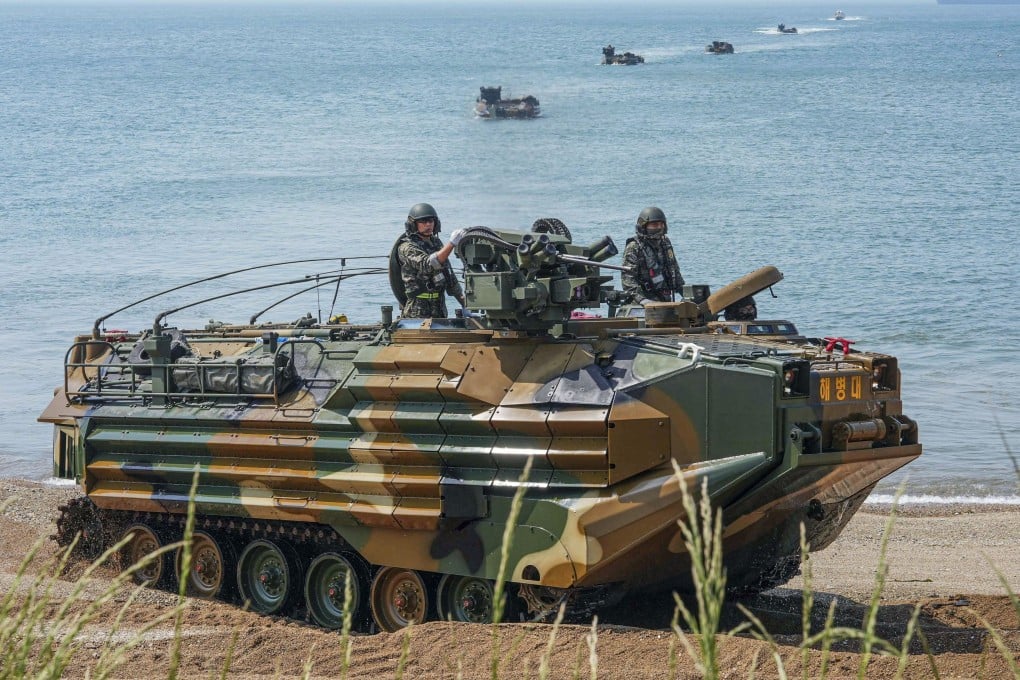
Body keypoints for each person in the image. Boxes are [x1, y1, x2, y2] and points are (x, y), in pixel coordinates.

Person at [393, 202, 466, 319]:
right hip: (417, 310)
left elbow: (449, 275)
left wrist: (464, 304)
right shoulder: (407, 247)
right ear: (413, 224)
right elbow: (428, 264)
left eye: (431, 221)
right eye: (423, 221)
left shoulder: (436, 243)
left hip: (439, 308)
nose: (428, 225)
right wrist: (452, 244)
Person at [620, 206, 685, 304]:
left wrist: (687, 294)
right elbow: (628, 281)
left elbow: (675, 271)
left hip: (665, 300)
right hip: (642, 302)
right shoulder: (634, 247)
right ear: (644, 226)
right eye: (654, 225)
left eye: (661, 224)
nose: (659, 227)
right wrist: (643, 301)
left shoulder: (665, 243)